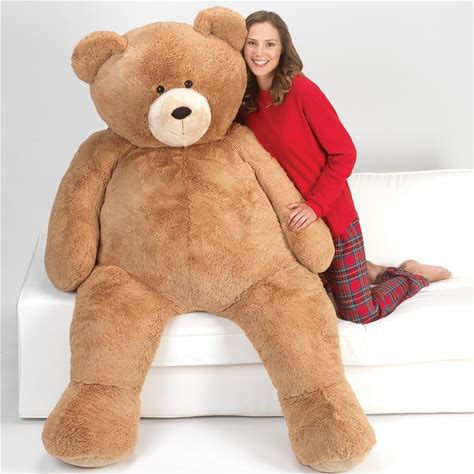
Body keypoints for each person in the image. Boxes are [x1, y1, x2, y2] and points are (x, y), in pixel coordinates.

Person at [239, 10, 451, 324]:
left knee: (358, 313)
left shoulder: (302, 90)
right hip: (293, 228)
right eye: (252, 43)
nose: (260, 52)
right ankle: (369, 271)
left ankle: (413, 274)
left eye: (269, 44)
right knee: (312, 302)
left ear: (282, 49)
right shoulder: (244, 103)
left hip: (331, 215)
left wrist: (315, 206)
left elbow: (344, 153)